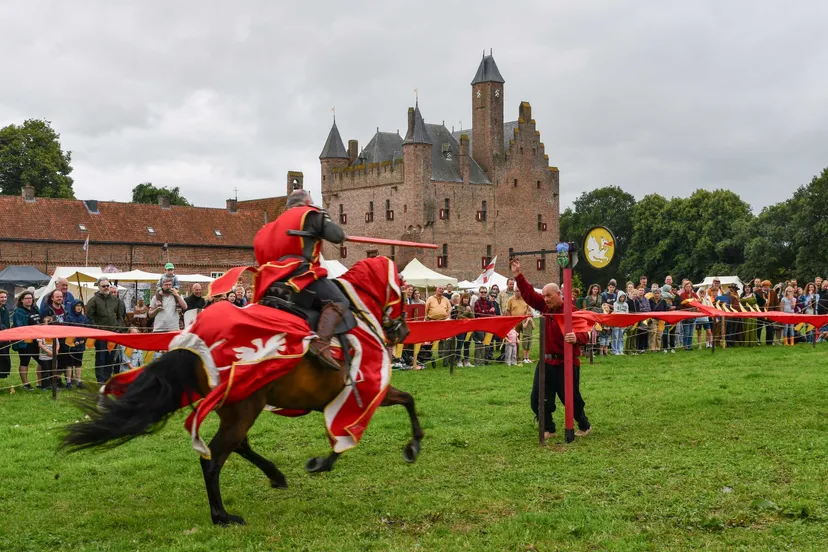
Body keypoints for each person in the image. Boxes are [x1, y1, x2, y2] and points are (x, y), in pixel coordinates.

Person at [254, 189, 354, 370]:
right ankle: (322, 344)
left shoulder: (268, 227)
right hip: (300, 276)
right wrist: (324, 217)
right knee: (340, 300)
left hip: (271, 282)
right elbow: (337, 236)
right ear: (307, 203)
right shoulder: (309, 214)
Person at [511, 258, 591, 439]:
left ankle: (584, 425)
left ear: (559, 294)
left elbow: (586, 334)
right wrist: (518, 275)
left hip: (566, 363)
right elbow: (529, 294)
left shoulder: (572, 311)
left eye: (549, 296)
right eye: (544, 296)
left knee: (571, 399)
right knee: (538, 398)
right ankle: (549, 428)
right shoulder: (544, 307)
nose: (545, 299)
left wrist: (576, 338)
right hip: (546, 362)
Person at [85, 278, 126, 385]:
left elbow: (120, 316)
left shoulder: (116, 300)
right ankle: (100, 379)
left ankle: (108, 378)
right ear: (99, 287)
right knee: (101, 355)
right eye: (103, 286)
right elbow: (89, 317)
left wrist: (118, 328)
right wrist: (97, 328)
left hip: (113, 333)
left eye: (107, 285)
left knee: (111, 355)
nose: (106, 288)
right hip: (101, 334)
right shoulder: (93, 300)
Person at [12, 291, 40, 390]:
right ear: (22, 300)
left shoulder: (35, 309)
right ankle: (26, 384)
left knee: (41, 360)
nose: (29, 300)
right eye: (26, 298)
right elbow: (19, 326)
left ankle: (40, 382)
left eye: (30, 298)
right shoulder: (18, 312)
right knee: (25, 361)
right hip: (24, 341)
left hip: (37, 340)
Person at [64, 300, 89, 389]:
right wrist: (74, 340)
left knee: (78, 363)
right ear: (73, 307)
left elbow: (87, 330)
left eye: (80, 306)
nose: (78, 307)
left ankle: (79, 381)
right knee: (69, 364)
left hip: (80, 345)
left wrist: (83, 340)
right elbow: (66, 331)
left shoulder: (84, 318)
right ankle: (68, 382)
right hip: (70, 344)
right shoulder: (68, 318)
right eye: (77, 306)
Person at [506, 288, 533, 364]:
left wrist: (529, 315)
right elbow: (508, 310)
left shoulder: (525, 299)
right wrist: (510, 321)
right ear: (514, 291)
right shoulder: (511, 299)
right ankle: (516, 356)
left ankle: (526, 357)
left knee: (526, 338)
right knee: (515, 339)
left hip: (524, 321)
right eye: (516, 291)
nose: (518, 292)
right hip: (515, 322)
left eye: (519, 291)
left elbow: (529, 309)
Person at [37, 315, 59, 391]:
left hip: (53, 356)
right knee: (45, 371)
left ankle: (53, 385)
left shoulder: (54, 333)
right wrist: (48, 352)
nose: (49, 324)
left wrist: (56, 350)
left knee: (53, 371)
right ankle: (45, 386)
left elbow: (57, 343)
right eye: (47, 322)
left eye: (50, 322)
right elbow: (40, 345)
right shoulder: (41, 333)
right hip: (44, 357)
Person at [454, 294, 475, 367]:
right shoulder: (458, 307)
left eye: (467, 298)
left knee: (467, 344)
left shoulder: (470, 307)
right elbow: (459, 317)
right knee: (460, 344)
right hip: (460, 328)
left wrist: (470, 311)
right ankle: (458, 360)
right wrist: (466, 311)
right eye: (464, 298)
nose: (466, 299)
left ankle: (466, 360)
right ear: (462, 299)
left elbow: (473, 317)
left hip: (468, 328)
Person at [611, 291, 629, 355]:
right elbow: (616, 312)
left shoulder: (626, 304)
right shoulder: (615, 303)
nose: (622, 298)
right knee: (615, 336)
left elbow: (627, 313)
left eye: (623, 297)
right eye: (621, 297)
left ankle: (620, 350)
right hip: (616, 322)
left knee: (621, 336)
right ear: (618, 297)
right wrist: (622, 313)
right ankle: (614, 351)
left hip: (623, 322)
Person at [0, 290, 10, 380]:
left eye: (5, 297)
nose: (4, 299)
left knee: (3, 359)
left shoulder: (4, 308)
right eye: (1, 297)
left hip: (4, 337)